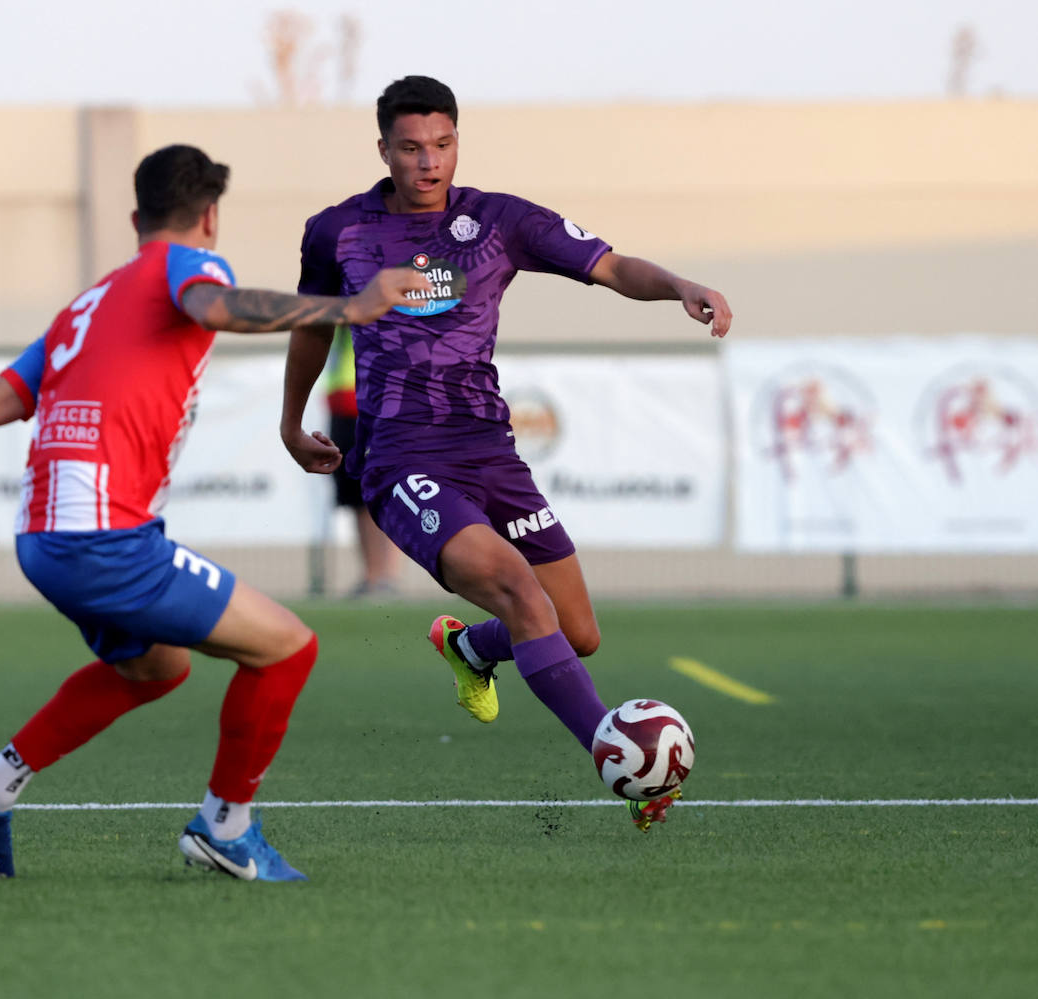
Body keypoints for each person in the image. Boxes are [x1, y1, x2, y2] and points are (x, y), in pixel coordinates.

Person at [0, 144, 430, 879]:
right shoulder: (192, 266)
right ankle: (226, 825)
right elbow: (211, 305)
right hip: (103, 537)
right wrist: (352, 306)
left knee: (156, 666)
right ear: (209, 216)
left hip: (45, 538)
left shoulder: (83, 308)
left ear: (133, 218)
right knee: (287, 646)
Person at [279, 76, 732, 832]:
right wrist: (292, 423)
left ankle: (471, 648)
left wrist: (681, 285)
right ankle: (619, 755)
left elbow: (612, 266)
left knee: (574, 630)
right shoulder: (338, 232)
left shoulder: (498, 221)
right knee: (524, 592)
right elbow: (311, 326)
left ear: (458, 141)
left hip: (490, 451)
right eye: (412, 148)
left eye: (444, 145)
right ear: (384, 148)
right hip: (401, 457)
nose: (430, 163)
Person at [323, 325, 402, 597]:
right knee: (355, 496)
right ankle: (371, 575)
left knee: (382, 492)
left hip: (372, 403)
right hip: (342, 404)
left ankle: (387, 576)